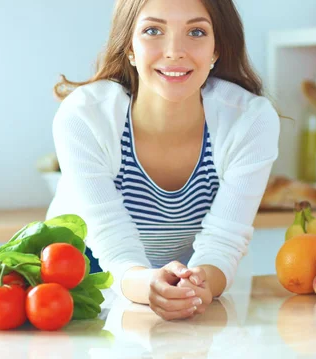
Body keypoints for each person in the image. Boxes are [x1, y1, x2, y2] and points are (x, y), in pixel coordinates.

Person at [46, 0, 280, 321]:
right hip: (79, 282)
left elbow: (225, 239)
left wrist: (200, 284)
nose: (174, 51)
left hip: (193, 281)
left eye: (196, 32)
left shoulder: (250, 119)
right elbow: (110, 238)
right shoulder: (84, 115)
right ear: (129, 46)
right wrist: (147, 284)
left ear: (216, 49)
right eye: (153, 30)